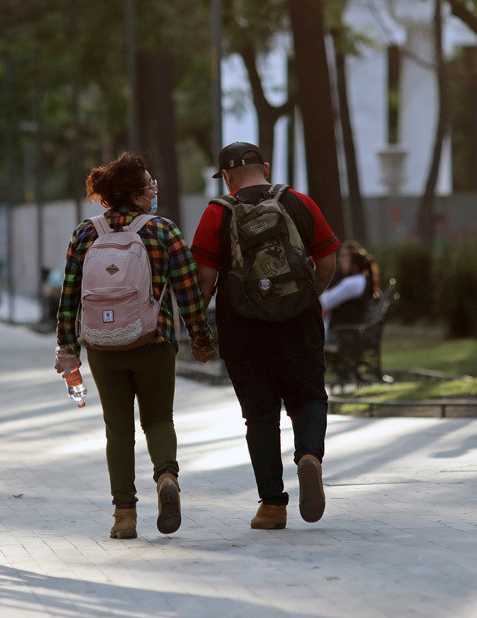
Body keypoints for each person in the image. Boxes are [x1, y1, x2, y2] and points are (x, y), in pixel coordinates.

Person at [53, 152, 216, 539]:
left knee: (118, 429)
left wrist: (67, 345)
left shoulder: (85, 232)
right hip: (154, 340)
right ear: (135, 194)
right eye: (150, 187)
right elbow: (189, 291)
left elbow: (70, 294)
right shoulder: (162, 230)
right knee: (159, 419)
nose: (154, 192)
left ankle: (124, 516)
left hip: (102, 345)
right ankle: (165, 476)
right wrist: (200, 338)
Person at [190, 141, 339, 530]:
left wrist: (198, 331)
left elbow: (204, 280)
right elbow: (327, 260)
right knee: (309, 397)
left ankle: (272, 506)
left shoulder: (216, 213)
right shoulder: (300, 203)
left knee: (259, 416)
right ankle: (309, 456)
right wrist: (307, 296)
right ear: (266, 168)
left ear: (226, 176)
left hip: (243, 327)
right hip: (300, 323)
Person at [320, 241, 380, 336]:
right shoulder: (361, 280)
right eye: (341, 255)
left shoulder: (352, 283)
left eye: (345, 256)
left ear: (354, 262)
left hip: (342, 333)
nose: (340, 260)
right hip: (347, 331)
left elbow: (325, 302)